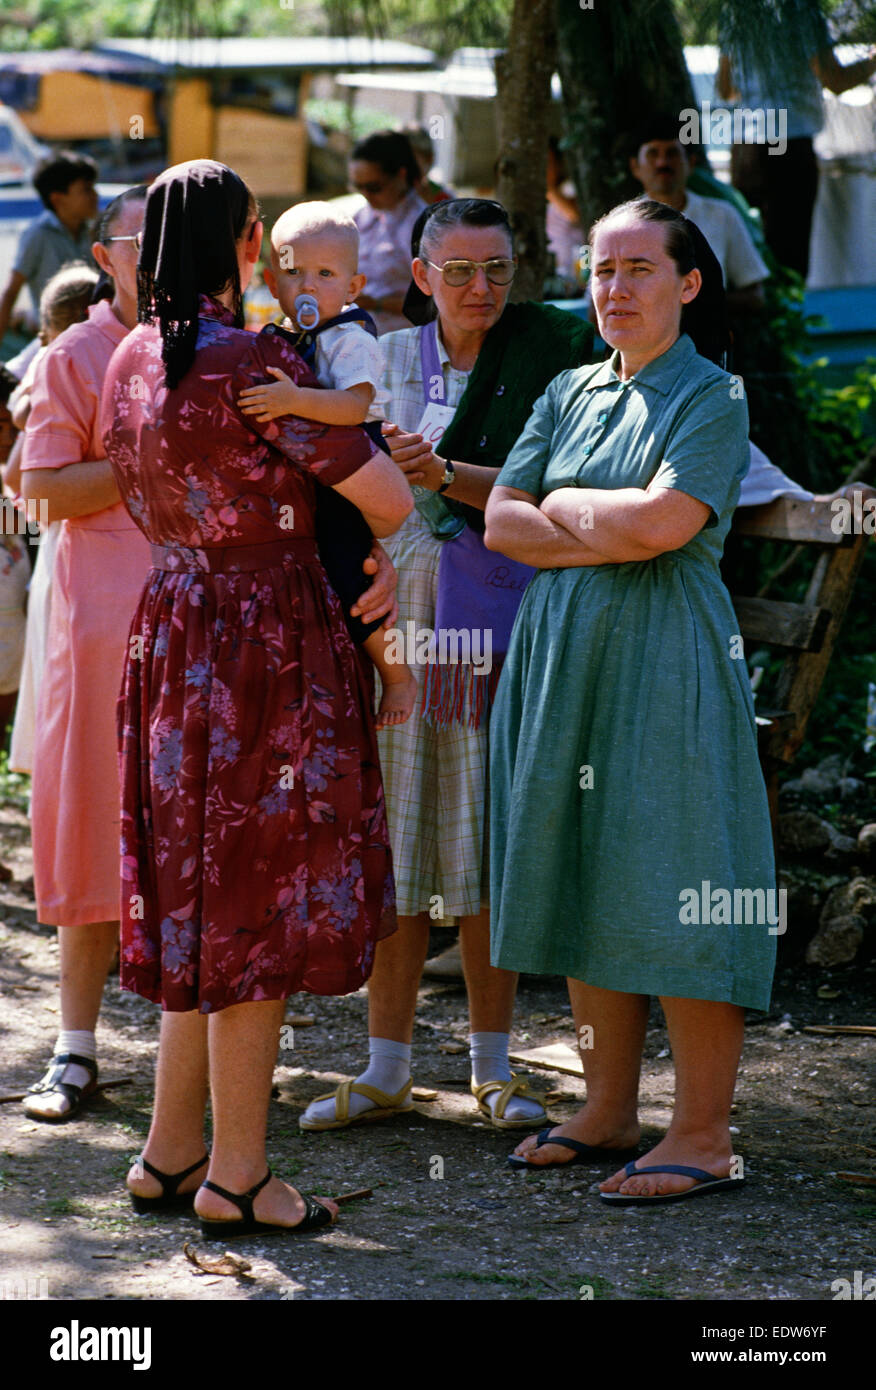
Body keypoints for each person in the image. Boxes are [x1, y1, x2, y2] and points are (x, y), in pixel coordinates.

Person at [101, 160, 411, 1236]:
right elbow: (388, 495)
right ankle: (238, 1176)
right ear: (249, 238)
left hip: (172, 629)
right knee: (260, 903)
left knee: (201, 899)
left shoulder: (132, 355)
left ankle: (169, 1149)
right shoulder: (256, 358)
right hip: (264, 641)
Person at [485, 198, 776, 1203]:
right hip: (563, 656)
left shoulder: (713, 396)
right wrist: (582, 519)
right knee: (574, 863)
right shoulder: (566, 390)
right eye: (602, 270)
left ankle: (702, 1131)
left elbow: (663, 524)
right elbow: (498, 522)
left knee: (683, 869)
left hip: (666, 656)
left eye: (640, 269)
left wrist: (565, 507)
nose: (615, 289)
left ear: (689, 284)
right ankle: (607, 1107)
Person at [299, 197, 595, 1133]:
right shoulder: (374, 361)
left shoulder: (552, 366)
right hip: (393, 633)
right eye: (459, 270)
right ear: (420, 275)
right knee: (396, 841)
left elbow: (551, 489)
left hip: (493, 625)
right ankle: (385, 1067)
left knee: (482, 841)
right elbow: (325, 481)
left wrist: (443, 477)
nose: (481, 288)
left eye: (499, 269)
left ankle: (492, 1067)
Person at [18, 186, 152, 1123]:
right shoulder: (78, 351)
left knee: (201, 834)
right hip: (105, 622)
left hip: (213, 624)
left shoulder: (224, 348)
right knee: (91, 823)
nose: (166, 255)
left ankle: (207, 1058)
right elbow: (43, 488)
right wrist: (157, 456)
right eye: (146, 241)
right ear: (107, 255)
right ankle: (73, 1050)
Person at [237, 200, 416, 729]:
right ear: (271, 281)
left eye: (325, 274)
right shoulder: (279, 337)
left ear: (354, 287)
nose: (307, 287)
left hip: (357, 457)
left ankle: (398, 675)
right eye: (293, 273)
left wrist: (291, 401)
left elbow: (353, 406)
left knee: (348, 563)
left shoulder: (350, 339)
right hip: (318, 465)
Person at [6, 264, 100, 776]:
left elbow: (20, 486)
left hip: (61, 547)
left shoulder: (50, 361)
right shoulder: (69, 361)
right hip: (70, 545)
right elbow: (24, 490)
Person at [719, 16, 876, 279]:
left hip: (745, 148)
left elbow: (726, 88)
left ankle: (756, 317)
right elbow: (835, 79)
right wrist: (872, 59)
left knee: (747, 251)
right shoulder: (801, 11)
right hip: (789, 145)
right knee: (789, 258)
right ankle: (786, 316)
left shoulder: (735, 10)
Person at [628, 115, 768, 314]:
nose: (662, 163)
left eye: (672, 153)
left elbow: (755, 296)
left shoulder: (722, 215)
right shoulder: (620, 224)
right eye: (652, 154)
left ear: (691, 163)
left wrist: (697, 303)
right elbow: (596, 308)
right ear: (635, 167)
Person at [0, 151, 98, 344]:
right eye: (86, 190)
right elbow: (11, 292)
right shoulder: (38, 234)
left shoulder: (93, 232)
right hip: (51, 340)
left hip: (90, 336)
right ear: (58, 199)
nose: (95, 195)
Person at [350, 130, 427, 334]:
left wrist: (377, 304)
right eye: (359, 187)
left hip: (405, 338)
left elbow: (436, 299)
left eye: (374, 187)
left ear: (401, 175)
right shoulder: (360, 217)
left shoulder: (423, 224)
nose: (366, 195)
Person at [402, 124, 455, 205]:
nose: (404, 167)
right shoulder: (391, 195)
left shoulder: (444, 199)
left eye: (410, 159)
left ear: (429, 158)